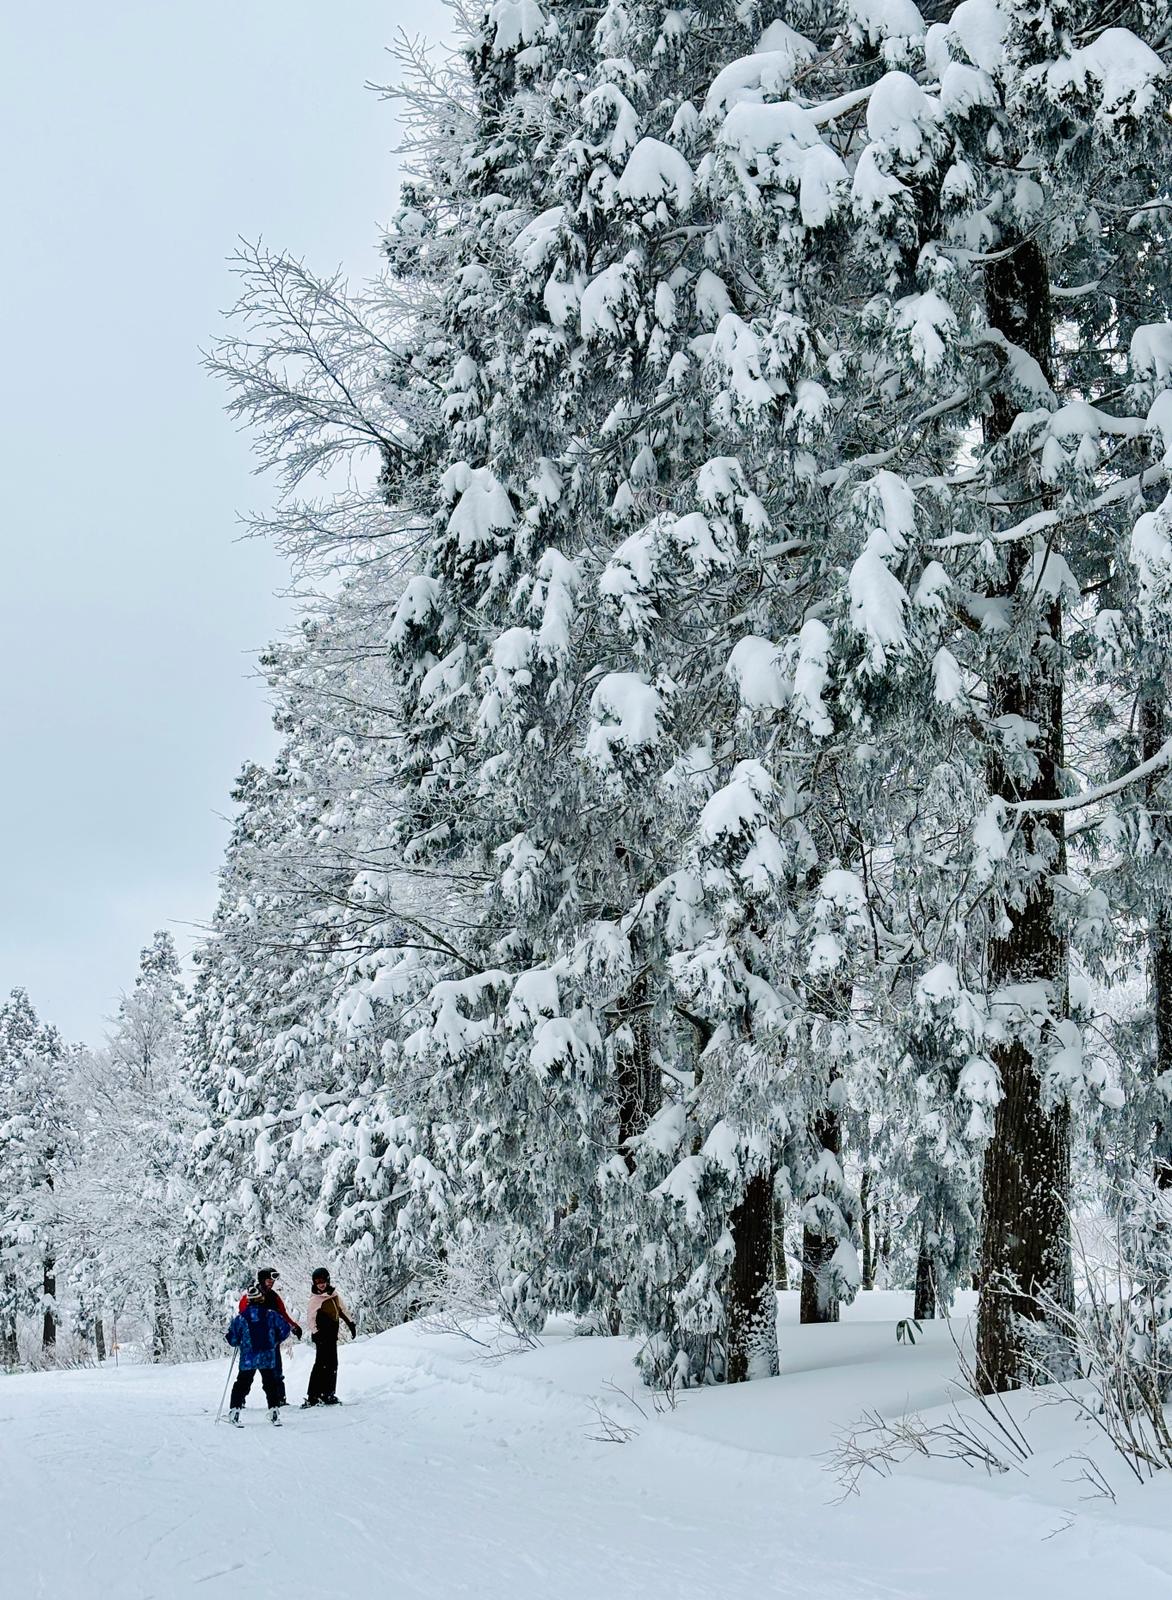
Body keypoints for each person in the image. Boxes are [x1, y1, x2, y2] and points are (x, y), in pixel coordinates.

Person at [236, 1266, 302, 1407]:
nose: (271, 1283)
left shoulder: (273, 1296)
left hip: (270, 1342)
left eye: (273, 1280)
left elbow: (283, 1314)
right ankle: (240, 1400)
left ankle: (279, 1399)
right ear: (261, 1280)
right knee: (247, 1376)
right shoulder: (250, 1295)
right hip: (252, 1344)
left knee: (276, 1372)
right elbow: (242, 1314)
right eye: (269, 1280)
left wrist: (294, 1326)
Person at [225, 1292, 292, 1425]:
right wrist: (275, 1340)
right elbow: (285, 1329)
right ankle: (273, 1410)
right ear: (262, 1300)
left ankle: (235, 1410)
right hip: (267, 1355)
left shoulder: (241, 1318)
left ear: (248, 1301)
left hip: (248, 1357)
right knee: (270, 1383)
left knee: (242, 1383)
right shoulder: (271, 1314)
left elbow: (232, 1339)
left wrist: (238, 1340)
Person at [301, 1268, 356, 1408]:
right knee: (320, 1365)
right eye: (317, 1281)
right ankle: (313, 1395)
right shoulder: (315, 1300)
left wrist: (350, 1323)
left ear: (327, 1280)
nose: (321, 1284)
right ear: (314, 1283)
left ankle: (328, 1393)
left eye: (323, 1281)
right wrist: (315, 1332)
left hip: (332, 1336)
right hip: (321, 1336)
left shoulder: (333, 1295)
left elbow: (342, 1310)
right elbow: (311, 1318)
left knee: (332, 1364)